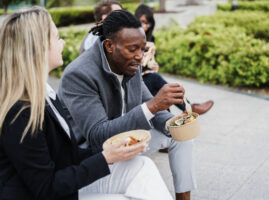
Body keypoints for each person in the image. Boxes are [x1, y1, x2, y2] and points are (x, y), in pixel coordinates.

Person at [0, 7, 173, 200]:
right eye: (57, 38)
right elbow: (46, 188)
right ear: (38, 47)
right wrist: (105, 158)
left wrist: (108, 151)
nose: (63, 43)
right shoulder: (21, 113)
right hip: (51, 194)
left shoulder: (46, 95)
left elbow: (66, 157)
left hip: (67, 184)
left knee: (142, 165)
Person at [58, 10, 196, 200]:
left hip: (127, 139)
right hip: (94, 158)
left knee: (181, 136)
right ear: (109, 45)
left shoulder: (130, 61)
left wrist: (174, 123)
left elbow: (147, 103)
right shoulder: (79, 74)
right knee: (143, 173)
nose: (140, 57)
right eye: (133, 49)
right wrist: (154, 105)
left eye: (142, 49)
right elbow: (97, 136)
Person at [135, 4, 214, 116]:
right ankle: (189, 108)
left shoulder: (150, 38)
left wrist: (153, 65)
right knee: (156, 80)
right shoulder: (130, 36)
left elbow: (148, 62)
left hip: (145, 77)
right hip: (133, 79)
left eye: (148, 23)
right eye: (142, 22)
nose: (145, 26)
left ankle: (170, 121)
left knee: (159, 92)